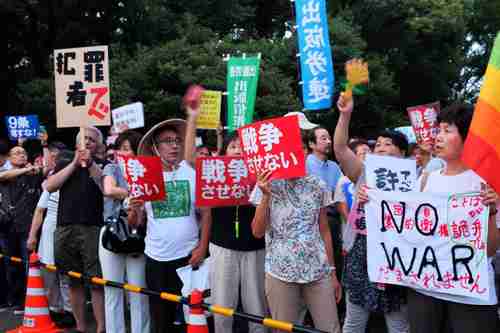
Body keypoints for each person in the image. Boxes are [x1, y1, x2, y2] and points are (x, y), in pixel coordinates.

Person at [405, 104, 500, 333]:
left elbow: (490, 249)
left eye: (448, 131)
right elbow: (406, 232)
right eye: (439, 130)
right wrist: (371, 198)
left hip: (471, 294)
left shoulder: (486, 183)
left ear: (469, 138)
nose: (439, 136)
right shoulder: (425, 180)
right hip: (425, 289)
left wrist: (491, 211)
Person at [185, 105, 267, 333]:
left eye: (243, 147)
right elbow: (207, 213)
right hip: (222, 247)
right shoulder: (215, 172)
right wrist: (202, 247)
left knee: (257, 309)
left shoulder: (261, 175)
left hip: (256, 248)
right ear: (225, 152)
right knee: (222, 306)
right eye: (233, 146)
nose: (238, 151)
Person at [333, 92, 409, 333]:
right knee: (355, 321)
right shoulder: (364, 172)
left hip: (398, 257)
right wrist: (345, 115)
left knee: (398, 323)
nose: (381, 147)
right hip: (362, 254)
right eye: (379, 144)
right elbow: (340, 147)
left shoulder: (417, 179)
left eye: (389, 143)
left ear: (403, 153)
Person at [250, 135, 342, 333]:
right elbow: (257, 232)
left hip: (318, 269)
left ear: (306, 152)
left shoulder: (318, 185)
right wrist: (265, 196)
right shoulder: (267, 183)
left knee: (330, 327)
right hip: (280, 271)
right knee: (284, 329)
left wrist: (332, 272)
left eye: (299, 148)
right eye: (287, 148)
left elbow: (324, 230)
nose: (293, 153)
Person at [135, 116, 211, 333]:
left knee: (195, 316)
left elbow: (206, 213)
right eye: (167, 141)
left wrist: (202, 247)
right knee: (161, 317)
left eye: (177, 140)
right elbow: (137, 222)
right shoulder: (145, 176)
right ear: (155, 147)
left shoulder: (191, 173)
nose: (174, 145)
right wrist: (134, 209)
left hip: (189, 258)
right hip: (156, 257)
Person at [46, 126, 106, 333]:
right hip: (65, 226)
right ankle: (80, 326)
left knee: (96, 281)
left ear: (98, 144)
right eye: (84, 138)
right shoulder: (64, 162)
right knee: (72, 279)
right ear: (76, 143)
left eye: (91, 139)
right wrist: (74, 163)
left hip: (92, 227)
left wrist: (89, 164)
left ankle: (101, 327)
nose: (87, 142)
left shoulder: (103, 164)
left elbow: (104, 187)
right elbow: (50, 186)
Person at [99, 130, 150, 333]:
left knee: (139, 290)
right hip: (112, 232)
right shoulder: (112, 167)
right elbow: (109, 190)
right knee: (112, 289)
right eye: (121, 148)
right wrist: (137, 193)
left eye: (129, 149)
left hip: (138, 233)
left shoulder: (147, 169)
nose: (124, 153)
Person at [27, 149, 75, 328]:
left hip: (71, 231)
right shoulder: (51, 184)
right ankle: (56, 309)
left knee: (67, 274)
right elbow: (39, 211)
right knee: (50, 272)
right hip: (50, 230)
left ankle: (71, 310)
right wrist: (32, 235)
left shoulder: (80, 183)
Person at [0, 146, 44, 315]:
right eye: (17, 153)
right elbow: (3, 175)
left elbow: (45, 170)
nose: (22, 155)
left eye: (24, 152)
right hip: (9, 226)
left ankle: (31, 300)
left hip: (28, 226)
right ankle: (17, 300)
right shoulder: (7, 173)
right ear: (10, 158)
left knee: (29, 264)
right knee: (12, 265)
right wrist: (26, 169)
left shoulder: (34, 173)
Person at [334, 139, 371, 222]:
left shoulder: (376, 177)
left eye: (370, 152)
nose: (369, 155)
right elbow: (341, 206)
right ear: (352, 157)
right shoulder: (344, 181)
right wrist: (352, 227)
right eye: (364, 153)